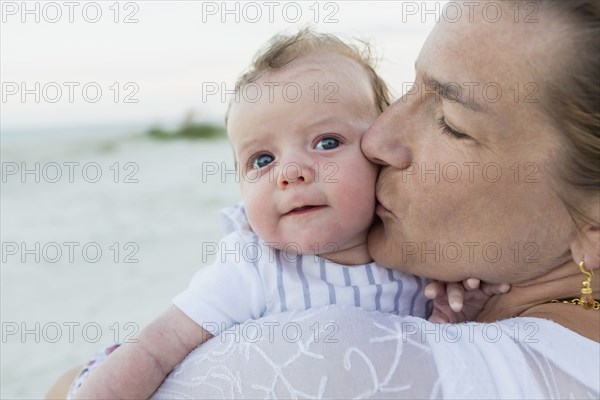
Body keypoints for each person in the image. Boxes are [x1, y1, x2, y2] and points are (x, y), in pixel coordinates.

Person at [48, 0, 599, 398]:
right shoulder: (260, 267)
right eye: (411, 89)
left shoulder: (314, 360)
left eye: (450, 123)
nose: (378, 141)